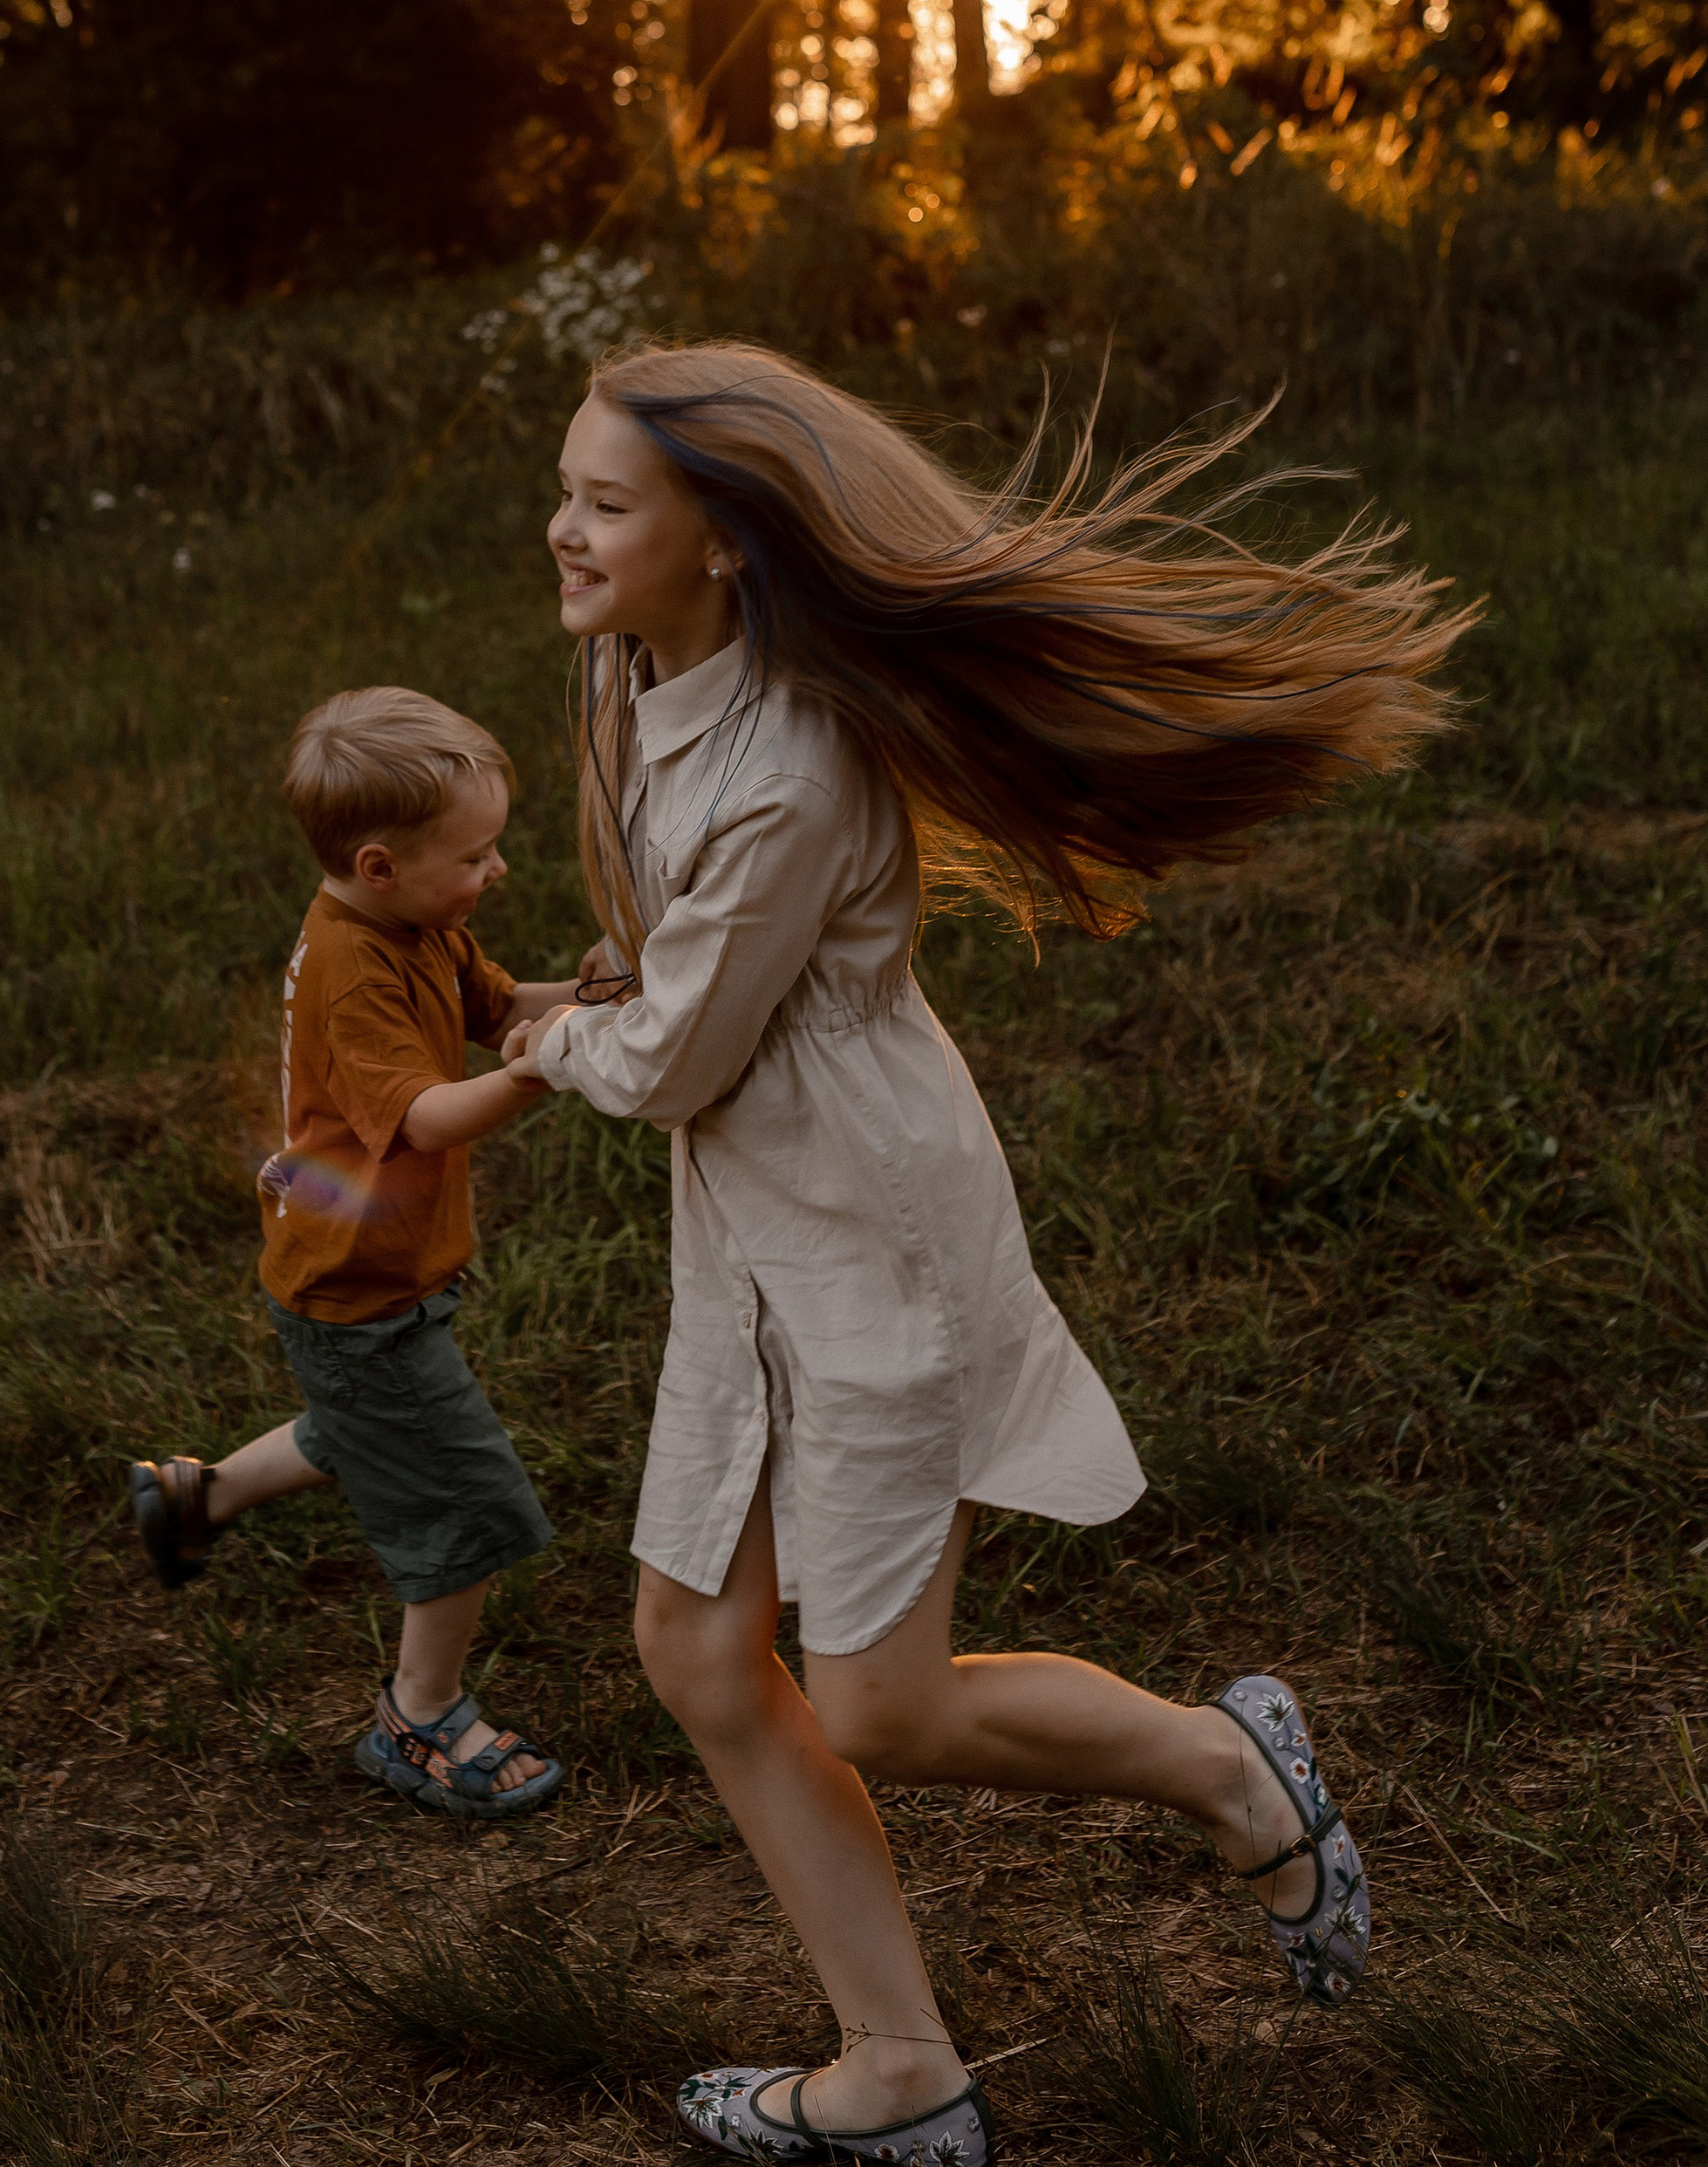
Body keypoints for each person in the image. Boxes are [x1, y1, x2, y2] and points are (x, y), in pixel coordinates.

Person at [503, 342, 1467, 2163]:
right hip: (754, 1235)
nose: (560, 527)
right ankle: (895, 2072)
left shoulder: (785, 755)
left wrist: (546, 1039)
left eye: (603, 502)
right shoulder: (642, 675)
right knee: (699, 1652)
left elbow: (680, 1054)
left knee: (873, 1698)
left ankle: (1220, 1759)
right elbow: (683, 977)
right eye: (564, 487)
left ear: (724, 538)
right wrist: (563, 1000)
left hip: (871, 1247)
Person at [130, 685, 577, 1821]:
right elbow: (429, 1114)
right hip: (357, 1288)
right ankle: (419, 1721)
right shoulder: (358, 968)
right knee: (466, 1501)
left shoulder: (417, 921)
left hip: (356, 1280)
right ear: (379, 864)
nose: (498, 869)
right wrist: (537, 1072)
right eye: (475, 852)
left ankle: (199, 1495)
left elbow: (502, 1002)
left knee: (365, 1432)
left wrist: (602, 993)